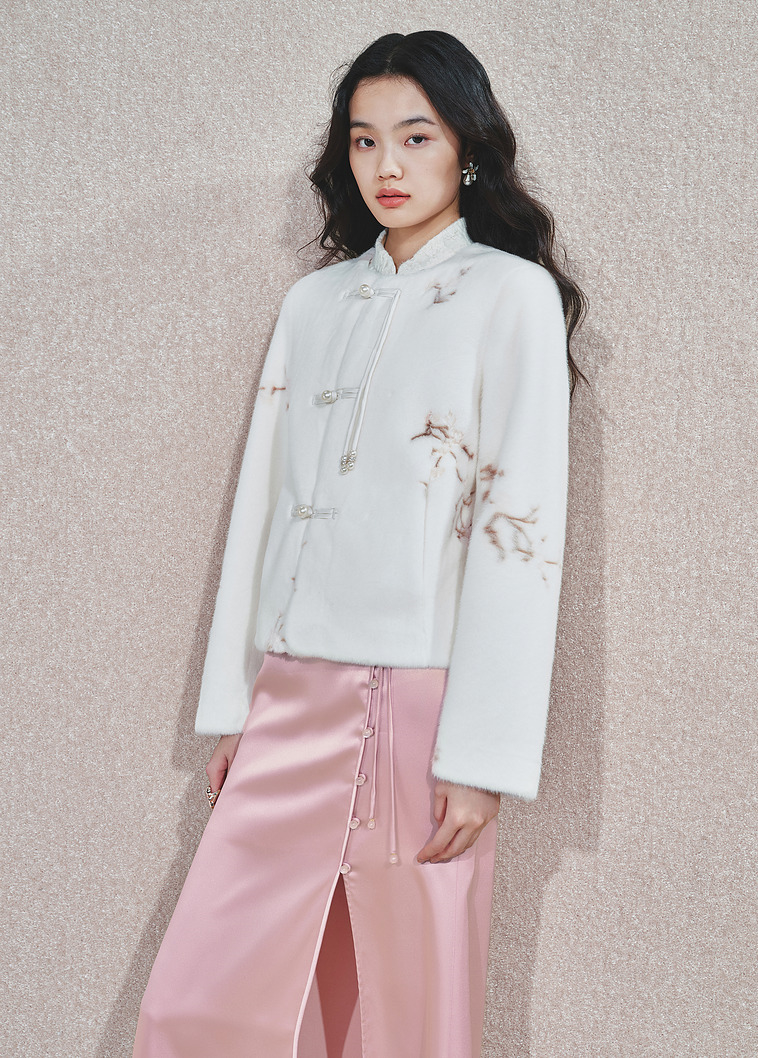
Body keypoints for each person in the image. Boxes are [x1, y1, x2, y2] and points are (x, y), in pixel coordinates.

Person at [132, 29, 587, 1058]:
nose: (387, 165)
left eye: (415, 137)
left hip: (420, 708)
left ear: (465, 148)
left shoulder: (508, 295)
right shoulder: (315, 301)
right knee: (202, 1003)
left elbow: (521, 531)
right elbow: (266, 505)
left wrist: (480, 754)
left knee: (401, 1008)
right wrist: (238, 706)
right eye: (364, 139)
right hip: (291, 696)